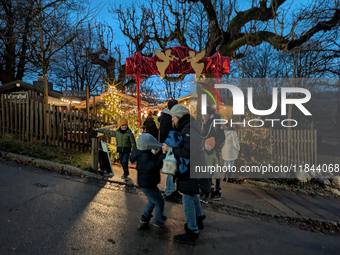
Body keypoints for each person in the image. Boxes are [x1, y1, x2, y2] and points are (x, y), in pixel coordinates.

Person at [162, 104, 210, 246]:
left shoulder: (189, 128)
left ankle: (192, 231)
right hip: (193, 168)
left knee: (187, 198)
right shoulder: (189, 126)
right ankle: (198, 220)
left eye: (173, 117)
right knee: (192, 194)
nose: (172, 120)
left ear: (179, 116)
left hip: (191, 169)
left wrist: (171, 149)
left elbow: (190, 152)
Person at [130, 134, 167, 230]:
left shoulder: (143, 154)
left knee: (152, 200)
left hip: (146, 183)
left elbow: (153, 160)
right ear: (147, 145)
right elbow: (156, 165)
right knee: (159, 201)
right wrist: (162, 154)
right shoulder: (145, 156)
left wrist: (159, 153)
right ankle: (159, 220)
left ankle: (145, 218)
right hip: (148, 184)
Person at [159, 99, 182, 203]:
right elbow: (164, 133)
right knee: (171, 170)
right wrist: (167, 144)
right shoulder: (167, 118)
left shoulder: (167, 117)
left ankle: (173, 190)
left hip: (172, 145)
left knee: (173, 169)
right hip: (170, 146)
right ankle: (169, 192)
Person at [201, 105, 225, 199]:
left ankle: (217, 189)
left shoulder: (216, 122)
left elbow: (222, 136)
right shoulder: (205, 122)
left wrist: (214, 144)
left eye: (205, 113)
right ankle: (210, 186)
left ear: (209, 114)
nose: (203, 115)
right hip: (206, 149)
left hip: (214, 150)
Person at [200, 137, 219, 203]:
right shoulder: (202, 152)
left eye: (209, 145)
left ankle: (206, 196)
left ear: (212, 147)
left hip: (209, 171)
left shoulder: (214, 155)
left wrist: (216, 173)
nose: (207, 146)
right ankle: (201, 194)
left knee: (208, 184)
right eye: (206, 144)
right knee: (201, 182)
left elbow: (216, 164)